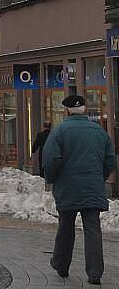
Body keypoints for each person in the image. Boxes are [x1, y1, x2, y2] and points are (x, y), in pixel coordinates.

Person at [43, 94, 115, 286]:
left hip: (67, 187)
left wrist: (52, 179)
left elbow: (51, 160)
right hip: (92, 187)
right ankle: (95, 273)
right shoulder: (100, 132)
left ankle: (61, 264)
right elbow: (110, 160)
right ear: (85, 110)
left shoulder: (59, 131)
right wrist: (99, 178)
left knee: (66, 226)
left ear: (67, 110)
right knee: (93, 228)